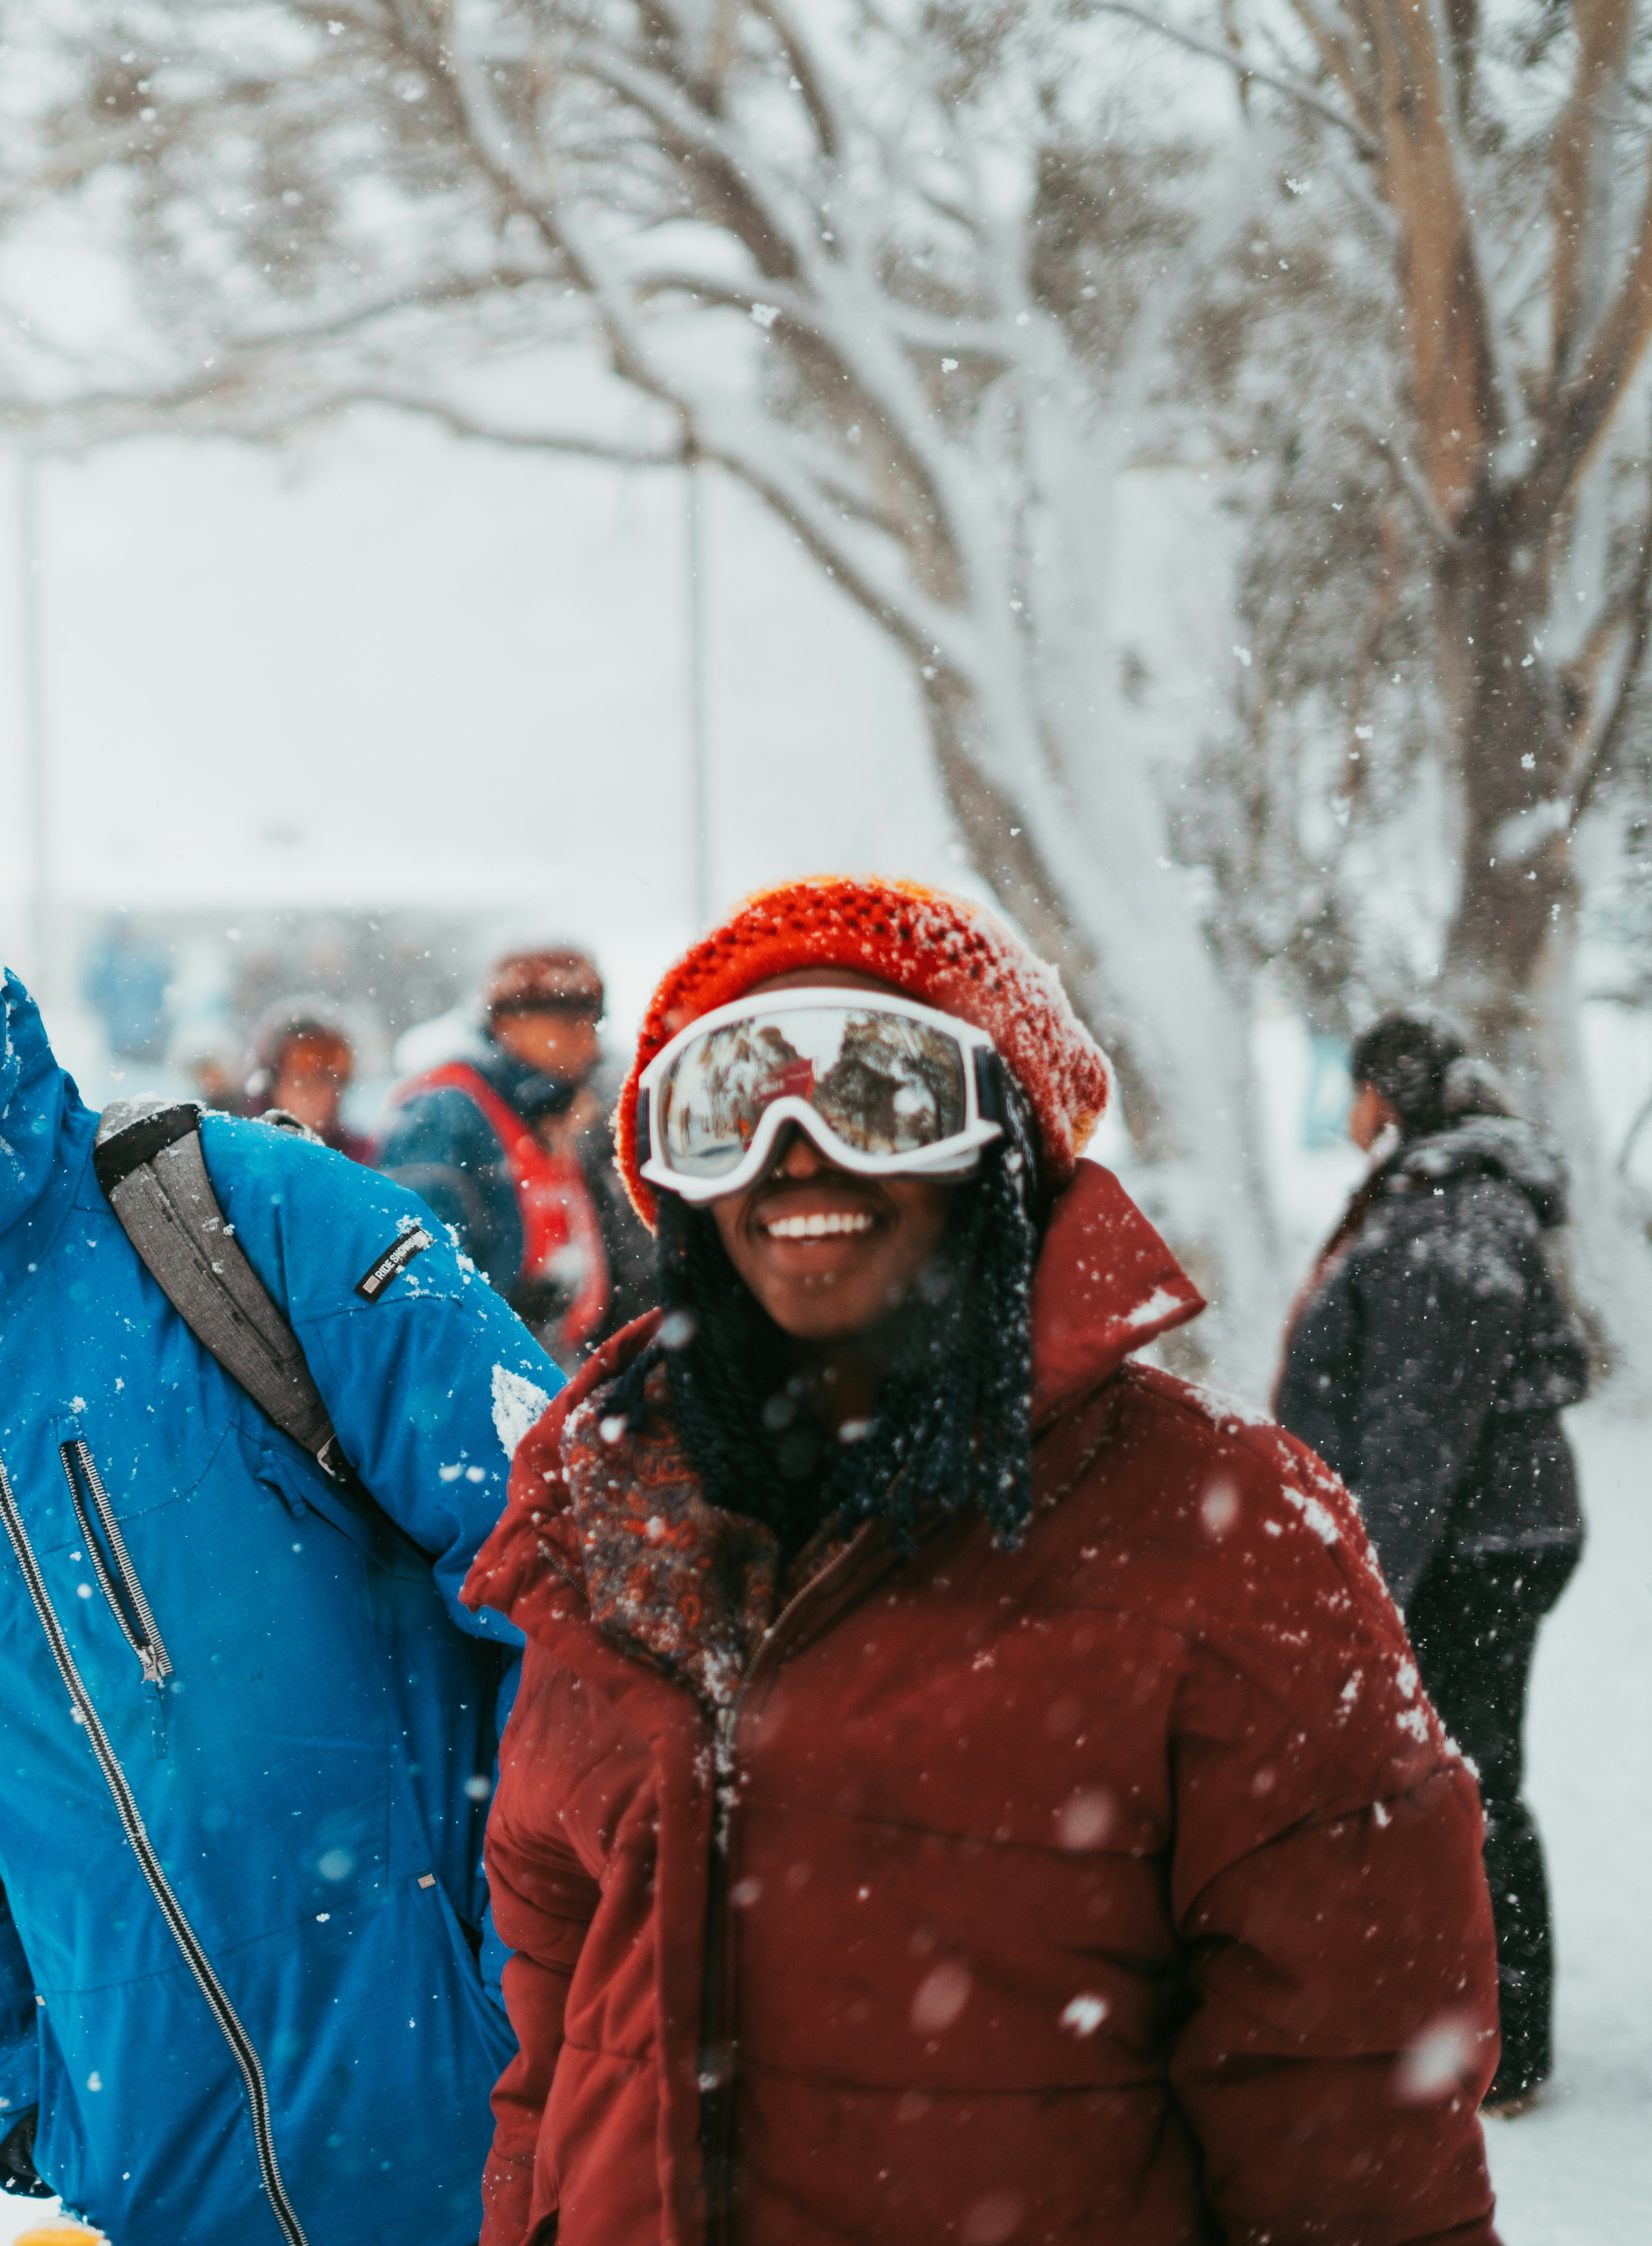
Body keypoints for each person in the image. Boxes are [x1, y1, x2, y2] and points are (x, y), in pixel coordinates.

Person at [462, 877, 1502, 2246]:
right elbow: (553, 2008)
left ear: (1005, 1144)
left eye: (885, 1089)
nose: (795, 1149)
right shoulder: (614, 1519)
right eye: (730, 1100)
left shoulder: (1223, 1530)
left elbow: (1350, 2125)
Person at [0, 831, 557, 2244]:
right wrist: (23, 2096)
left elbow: (568, 1597)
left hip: (494, 2144)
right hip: (170, 2183)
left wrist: (532, 1987)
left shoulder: (250, 1217)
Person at [1278, 1006, 1587, 2116]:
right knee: (1462, 1776)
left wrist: (1370, 1582)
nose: (1350, 1109)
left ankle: (1505, 2044)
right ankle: (1473, 2021)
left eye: (1360, 1085)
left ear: (1389, 1096)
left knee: (1470, 1781)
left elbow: (1421, 1428)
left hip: (1476, 1543)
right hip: (1481, 1534)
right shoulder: (1440, 1200)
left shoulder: (1447, 1217)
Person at [379, 947, 641, 1360]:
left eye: (592, 1022)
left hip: (560, 1363)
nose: (585, 1041)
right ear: (505, 1024)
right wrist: (511, 1310)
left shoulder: (559, 1113)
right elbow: (415, 1277)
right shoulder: (444, 1109)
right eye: (567, 1021)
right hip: (482, 1376)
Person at [238, 996, 370, 1161]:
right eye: (301, 1076)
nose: (313, 1091)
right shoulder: (240, 1154)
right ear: (272, 1082)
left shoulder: (366, 1159)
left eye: (326, 1078)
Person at [80, 912, 174, 1065]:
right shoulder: (105, 960)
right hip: (119, 1038)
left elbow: (162, 991)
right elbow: (93, 991)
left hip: (150, 1037)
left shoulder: (150, 958)